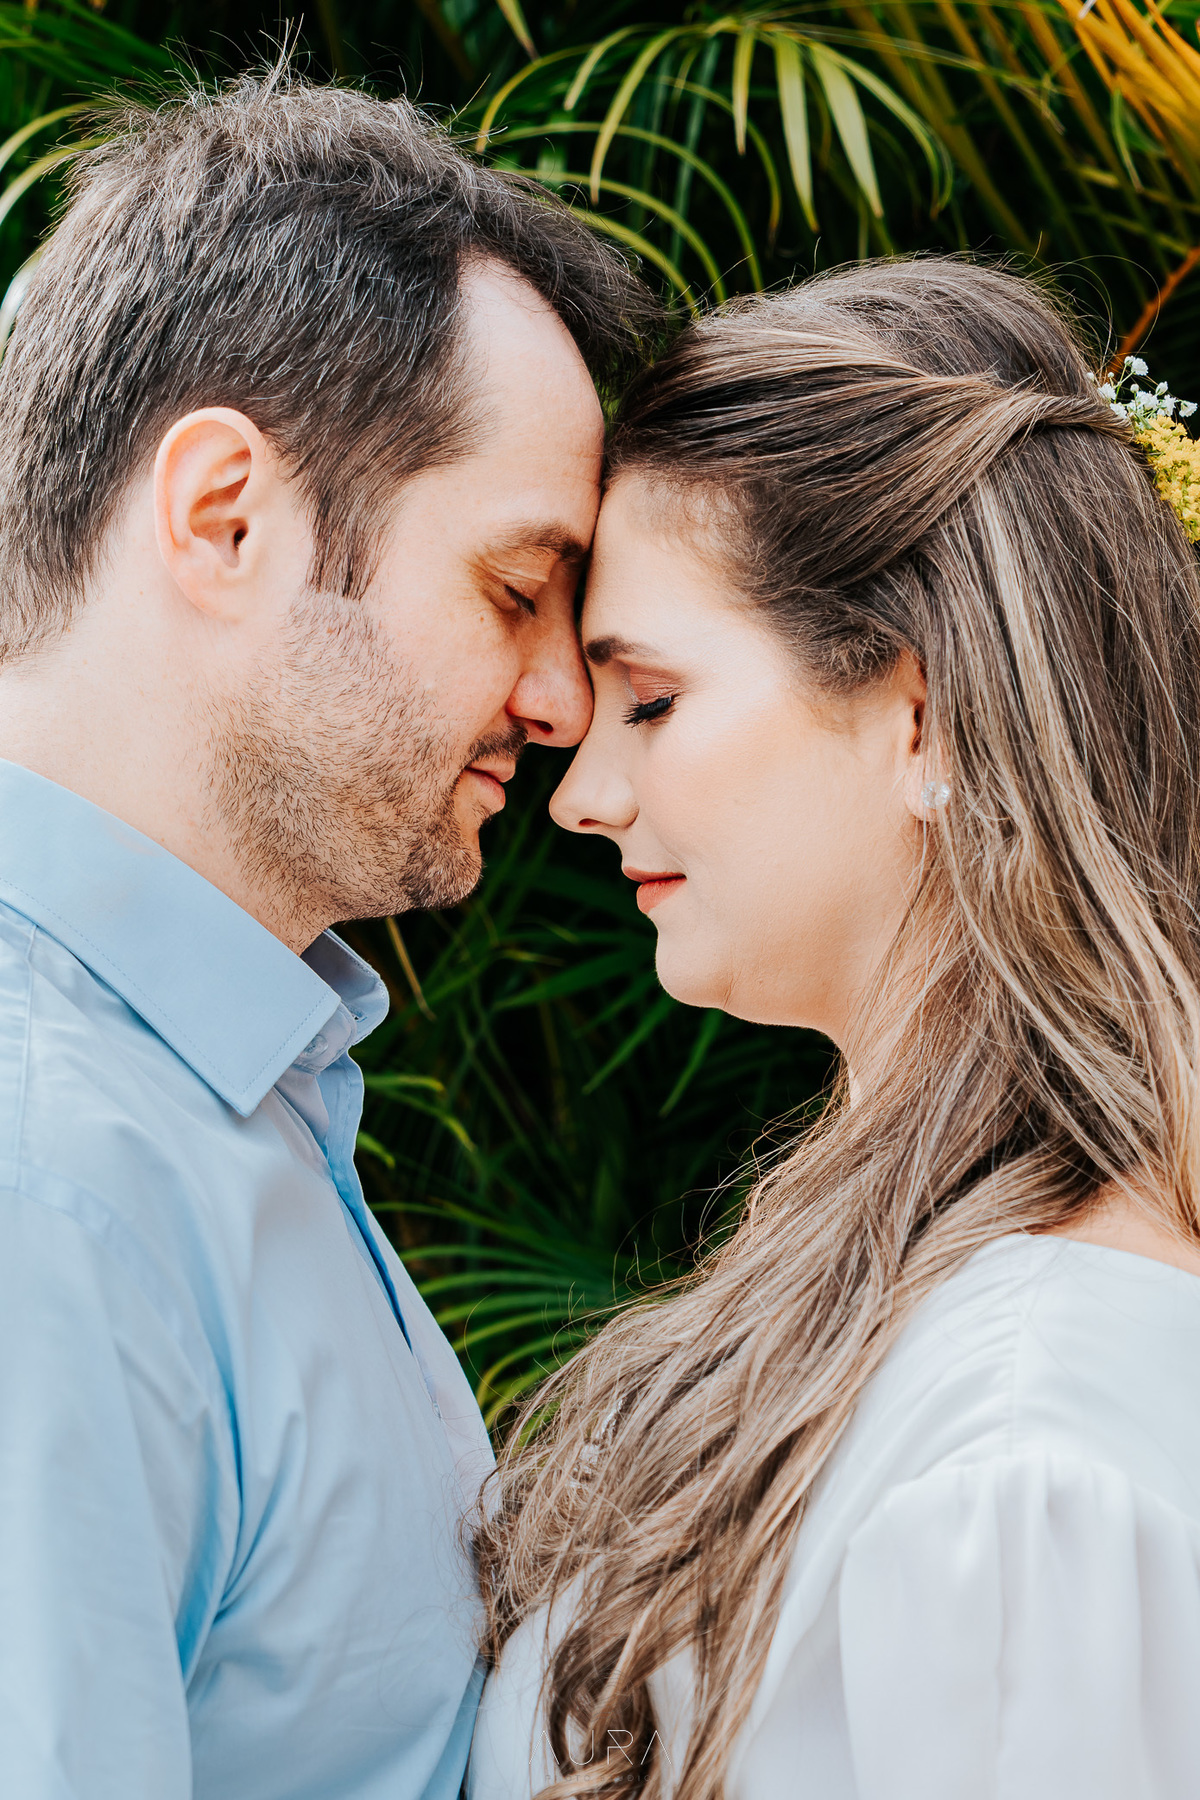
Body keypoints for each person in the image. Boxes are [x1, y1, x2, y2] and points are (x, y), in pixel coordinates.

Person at [0, 65, 655, 1800]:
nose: (562, 699)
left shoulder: (221, 1091)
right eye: (517, 591)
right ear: (228, 516)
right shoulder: (47, 1187)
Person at [467, 258, 1200, 1800]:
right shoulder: (908, 1298)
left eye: (650, 701)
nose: (583, 795)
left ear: (922, 712)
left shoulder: (1028, 1452)